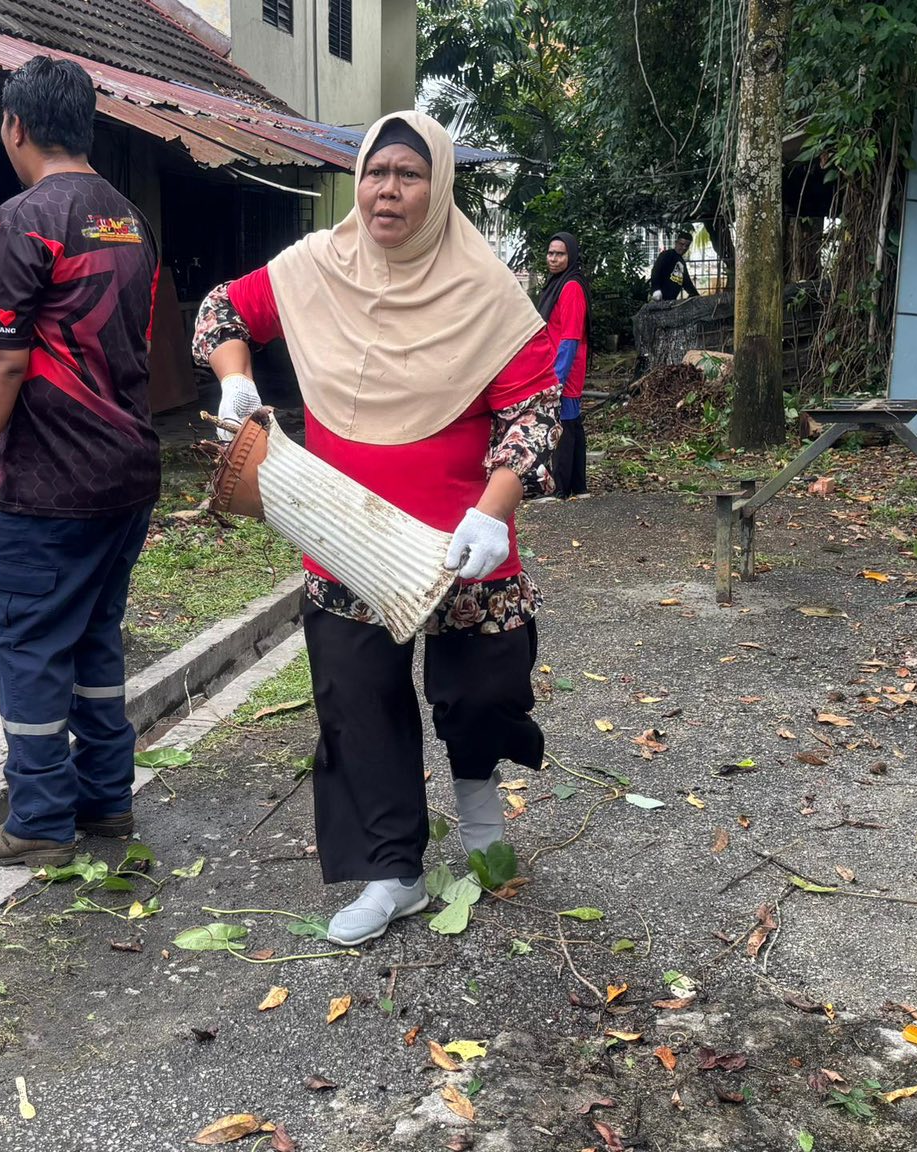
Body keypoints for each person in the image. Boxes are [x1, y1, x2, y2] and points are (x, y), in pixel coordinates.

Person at [192, 111, 561, 947]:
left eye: (409, 173)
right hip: (346, 537)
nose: (388, 189)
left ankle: (476, 807)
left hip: (465, 541)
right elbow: (221, 309)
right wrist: (236, 383)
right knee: (358, 702)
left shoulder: (483, 287)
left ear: (438, 187)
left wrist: (495, 511)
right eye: (375, 173)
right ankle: (395, 874)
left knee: (483, 689)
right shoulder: (317, 266)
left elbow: (534, 409)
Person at [0, 58, 162, 869]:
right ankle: (105, 803)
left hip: (53, 482)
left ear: (14, 127)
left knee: (28, 645)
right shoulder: (131, 220)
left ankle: (38, 821)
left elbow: (0, 363)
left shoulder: (21, 224)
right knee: (94, 639)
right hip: (127, 474)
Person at [539, 232, 590, 499]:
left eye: (560, 254)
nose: (554, 258)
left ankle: (561, 487)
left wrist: (558, 378)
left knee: (564, 423)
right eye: (551, 253)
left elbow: (570, 336)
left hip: (565, 366)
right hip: (559, 363)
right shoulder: (557, 284)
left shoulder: (570, 287)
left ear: (570, 256)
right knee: (572, 423)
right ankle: (578, 487)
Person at [649, 230, 695, 301]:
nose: (684, 248)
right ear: (676, 243)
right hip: (659, 298)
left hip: (671, 300)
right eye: (682, 244)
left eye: (687, 246)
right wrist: (656, 290)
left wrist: (695, 295)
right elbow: (655, 272)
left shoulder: (682, 262)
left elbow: (686, 282)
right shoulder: (666, 255)